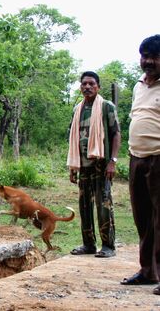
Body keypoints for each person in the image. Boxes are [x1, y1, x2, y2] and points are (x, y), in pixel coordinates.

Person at [121, 35, 160, 293]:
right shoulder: (138, 86)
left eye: (153, 56)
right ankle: (148, 271)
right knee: (142, 217)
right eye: (143, 55)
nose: (147, 61)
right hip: (137, 158)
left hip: (159, 158)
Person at [67, 71, 121, 258]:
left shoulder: (106, 107)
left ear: (98, 87)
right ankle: (88, 244)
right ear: (80, 87)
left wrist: (112, 161)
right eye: (84, 84)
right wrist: (73, 167)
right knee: (84, 205)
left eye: (91, 84)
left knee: (103, 204)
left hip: (101, 164)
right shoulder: (77, 109)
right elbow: (73, 138)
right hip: (82, 165)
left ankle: (108, 245)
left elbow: (116, 134)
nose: (87, 87)